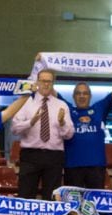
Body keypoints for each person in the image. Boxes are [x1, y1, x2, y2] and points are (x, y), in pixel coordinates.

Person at [10, 70, 74, 200]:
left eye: (49, 81)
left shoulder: (61, 105)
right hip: (30, 155)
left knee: (52, 197)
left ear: (53, 83)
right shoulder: (26, 102)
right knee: (26, 195)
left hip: (54, 156)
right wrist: (31, 122)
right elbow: (14, 128)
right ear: (37, 82)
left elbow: (69, 134)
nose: (46, 84)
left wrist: (61, 122)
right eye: (43, 81)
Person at [63, 77, 112, 189]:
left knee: (94, 202)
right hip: (72, 165)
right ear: (73, 96)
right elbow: (51, 91)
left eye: (85, 93)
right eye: (78, 93)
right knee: (72, 203)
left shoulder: (99, 108)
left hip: (96, 166)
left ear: (90, 96)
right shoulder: (67, 109)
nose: (82, 96)